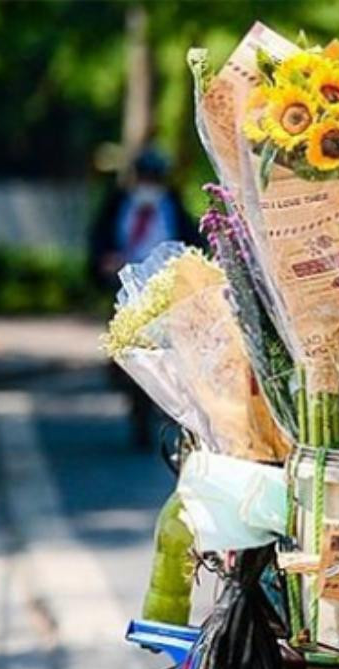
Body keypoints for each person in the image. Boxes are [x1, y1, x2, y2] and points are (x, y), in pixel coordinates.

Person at [89, 147, 201, 448]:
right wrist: (105, 261)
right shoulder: (118, 204)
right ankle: (136, 408)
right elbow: (99, 240)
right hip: (127, 288)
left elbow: (193, 242)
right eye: (144, 177)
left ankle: (167, 412)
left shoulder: (172, 206)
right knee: (132, 352)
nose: (148, 185)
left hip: (166, 291)